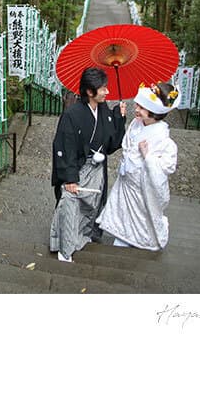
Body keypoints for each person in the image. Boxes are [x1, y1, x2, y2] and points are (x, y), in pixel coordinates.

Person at [50, 67, 127, 262]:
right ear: (89, 92)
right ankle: (65, 248)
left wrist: (119, 117)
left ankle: (85, 236)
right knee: (70, 204)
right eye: (102, 89)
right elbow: (63, 146)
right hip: (78, 169)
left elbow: (110, 144)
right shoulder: (72, 114)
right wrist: (69, 178)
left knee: (92, 204)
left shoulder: (103, 109)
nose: (106, 92)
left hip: (97, 170)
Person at [96, 81, 179, 251]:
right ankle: (122, 238)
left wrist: (148, 157)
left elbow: (167, 166)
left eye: (141, 108)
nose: (137, 110)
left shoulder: (164, 140)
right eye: (138, 106)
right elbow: (126, 143)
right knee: (123, 214)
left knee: (141, 218)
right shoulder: (136, 124)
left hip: (142, 188)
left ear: (154, 113)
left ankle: (142, 241)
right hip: (127, 180)